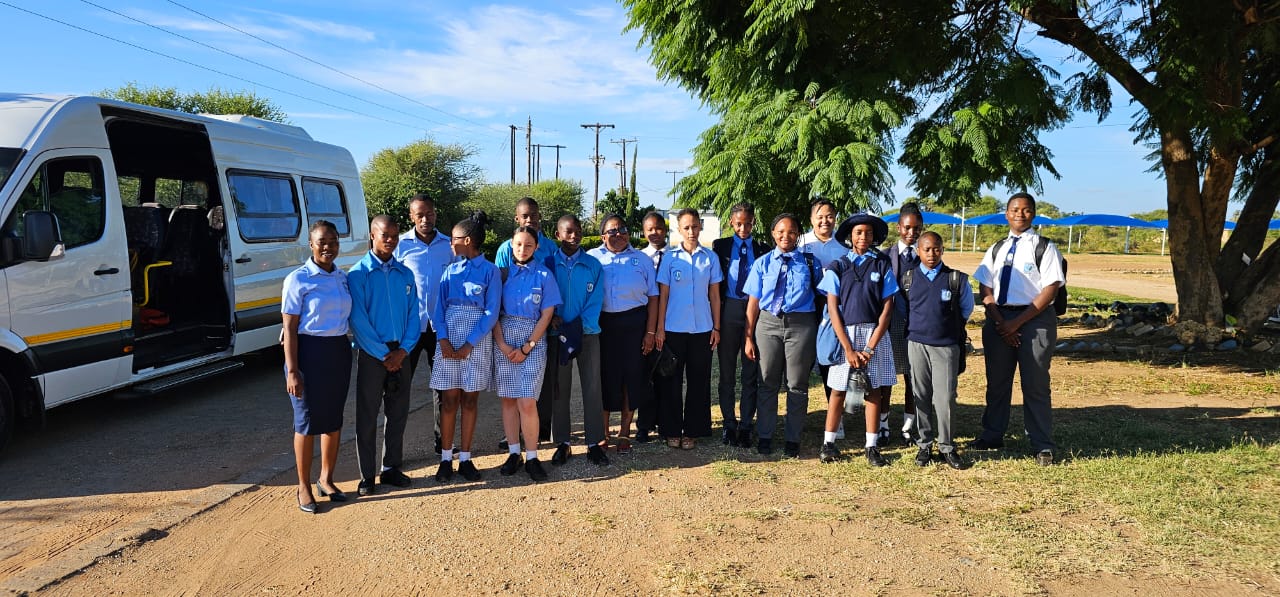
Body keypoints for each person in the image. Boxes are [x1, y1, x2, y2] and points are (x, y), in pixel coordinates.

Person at [970, 193, 1065, 466]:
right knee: (997, 383)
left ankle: (1041, 444)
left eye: (1026, 210)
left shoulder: (1044, 247)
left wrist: (1017, 322)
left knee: (1035, 384)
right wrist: (1000, 321)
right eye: (1014, 210)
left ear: (1034, 214)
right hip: (1000, 319)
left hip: (1034, 321)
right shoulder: (997, 248)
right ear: (1006, 214)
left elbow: (1050, 290)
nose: (1020, 214)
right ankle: (992, 434)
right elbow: (985, 286)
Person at [281, 220, 352, 513]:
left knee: (333, 419)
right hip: (307, 354)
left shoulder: (343, 278)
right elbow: (290, 329)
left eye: (333, 241)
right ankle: (304, 486)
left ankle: (326, 478)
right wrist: (293, 370)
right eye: (322, 242)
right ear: (310, 245)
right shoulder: (297, 280)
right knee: (306, 422)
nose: (328, 247)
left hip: (337, 351)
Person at [817, 213, 897, 467]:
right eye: (859, 232)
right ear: (850, 236)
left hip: (874, 337)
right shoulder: (838, 266)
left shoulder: (882, 265)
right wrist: (849, 349)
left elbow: (887, 309)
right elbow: (832, 309)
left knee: (873, 391)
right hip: (846, 337)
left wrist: (870, 347)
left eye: (869, 233)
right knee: (839, 390)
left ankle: (871, 446)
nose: (864, 237)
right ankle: (829, 443)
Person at [348, 215, 420, 495]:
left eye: (394, 235)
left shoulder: (406, 274)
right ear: (372, 236)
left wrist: (403, 351)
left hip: (402, 352)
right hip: (372, 353)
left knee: (398, 412)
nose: (389, 240)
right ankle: (367, 474)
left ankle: (391, 467)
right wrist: (383, 354)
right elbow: (358, 319)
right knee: (367, 415)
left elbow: (414, 314)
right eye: (384, 235)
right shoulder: (358, 274)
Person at [743, 213, 823, 457]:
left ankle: (792, 439)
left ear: (798, 234)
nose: (785, 236)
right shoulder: (762, 263)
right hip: (768, 325)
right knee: (767, 381)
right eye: (780, 231)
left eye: (791, 232)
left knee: (797, 384)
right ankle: (765, 435)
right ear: (772, 234)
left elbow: (822, 296)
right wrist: (748, 336)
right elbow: (753, 303)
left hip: (801, 325)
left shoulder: (810, 263)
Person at [430, 211, 502, 482]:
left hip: (476, 342)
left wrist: (470, 344)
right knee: (448, 400)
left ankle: (466, 458)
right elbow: (439, 310)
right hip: (449, 340)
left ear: (468, 240)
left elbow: (491, 312)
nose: (450, 243)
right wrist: (444, 340)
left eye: (454, 238)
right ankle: (446, 458)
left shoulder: (490, 271)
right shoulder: (450, 271)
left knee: (470, 399)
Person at [540, 215, 610, 466]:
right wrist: (553, 318)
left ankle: (594, 442)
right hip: (557, 335)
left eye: (578, 231)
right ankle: (563, 442)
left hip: (587, 333)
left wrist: (577, 325)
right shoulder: (548, 264)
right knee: (560, 389)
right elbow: (544, 295)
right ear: (558, 235)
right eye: (568, 232)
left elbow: (595, 300)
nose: (574, 235)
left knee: (593, 387)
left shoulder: (593, 264)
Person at [494, 226, 562, 482]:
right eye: (518, 245)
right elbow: (493, 311)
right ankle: (514, 453)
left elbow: (547, 313)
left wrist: (528, 346)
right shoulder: (501, 276)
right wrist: (502, 344)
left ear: (536, 247)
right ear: (512, 246)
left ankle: (532, 456)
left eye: (528, 245)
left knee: (527, 401)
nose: (523, 249)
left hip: (532, 341)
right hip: (504, 340)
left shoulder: (544, 275)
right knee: (509, 400)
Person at [588, 214, 658, 452]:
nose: (618, 234)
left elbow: (653, 297)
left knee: (632, 376)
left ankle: (625, 431)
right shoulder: (592, 258)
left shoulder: (642, 259)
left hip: (635, 323)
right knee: (605, 376)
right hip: (603, 324)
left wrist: (650, 331)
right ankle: (603, 432)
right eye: (612, 231)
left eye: (622, 230)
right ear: (602, 236)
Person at [904, 232, 973, 470]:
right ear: (918, 252)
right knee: (920, 395)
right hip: (917, 345)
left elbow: (966, 309)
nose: (931, 254)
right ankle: (924, 444)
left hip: (946, 346)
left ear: (942, 250)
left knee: (945, 398)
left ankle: (947, 447)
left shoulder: (956, 279)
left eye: (936, 249)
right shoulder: (909, 278)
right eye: (926, 250)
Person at [655, 208, 722, 450]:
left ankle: (693, 430)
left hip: (702, 329)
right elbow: (663, 295)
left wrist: (717, 327)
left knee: (698, 382)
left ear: (701, 226)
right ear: (679, 229)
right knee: (671, 381)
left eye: (695, 226)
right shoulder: (670, 258)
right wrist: (660, 328)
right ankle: (672, 430)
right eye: (686, 227)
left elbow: (715, 296)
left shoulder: (710, 258)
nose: (691, 231)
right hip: (673, 329)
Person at [393, 193, 454, 457]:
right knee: (398, 390)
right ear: (411, 217)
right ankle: (392, 457)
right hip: (410, 329)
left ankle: (444, 447)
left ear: (435, 214)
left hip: (440, 328)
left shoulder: (448, 246)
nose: (425, 219)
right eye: (419, 215)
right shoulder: (400, 246)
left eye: (429, 213)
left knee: (442, 389)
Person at [711, 203, 769, 447]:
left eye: (748, 223)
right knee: (726, 374)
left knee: (750, 372)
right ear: (731, 223)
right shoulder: (720, 246)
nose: (743, 228)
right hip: (729, 310)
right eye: (739, 223)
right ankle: (728, 424)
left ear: (754, 222)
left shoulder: (763, 249)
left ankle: (746, 424)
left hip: (754, 311)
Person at [799, 198, 846, 435]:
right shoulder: (801, 243)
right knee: (803, 364)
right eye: (820, 216)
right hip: (806, 308)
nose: (824, 221)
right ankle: (798, 419)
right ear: (811, 219)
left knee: (831, 362)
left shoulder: (844, 245)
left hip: (833, 309)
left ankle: (835, 420)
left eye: (829, 216)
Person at [885, 203, 923, 446]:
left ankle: (909, 425)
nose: (912, 233)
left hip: (918, 325)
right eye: (907, 227)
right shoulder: (885, 256)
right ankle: (883, 425)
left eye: (916, 228)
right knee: (886, 377)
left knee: (913, 377)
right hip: (890, 324)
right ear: (899, 227)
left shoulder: (926, 254)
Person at [636, 211, 669, 443]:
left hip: (671, 323)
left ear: (665, 230)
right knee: (645, 376)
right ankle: (644, 425)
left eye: (658, 228)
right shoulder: (639, 258)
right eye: (649, 229)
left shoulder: (676, 256)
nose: (654, 233)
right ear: (643, 231)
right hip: (645, 323)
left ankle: (666, 422)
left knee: (668, 375)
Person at [494, 196, 557, 269]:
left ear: (539, 217)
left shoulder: (551, 247)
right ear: (517, 219)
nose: (529, 220)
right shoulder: (506, 249)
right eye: (524, 216)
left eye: (533, 215)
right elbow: (499, 278)